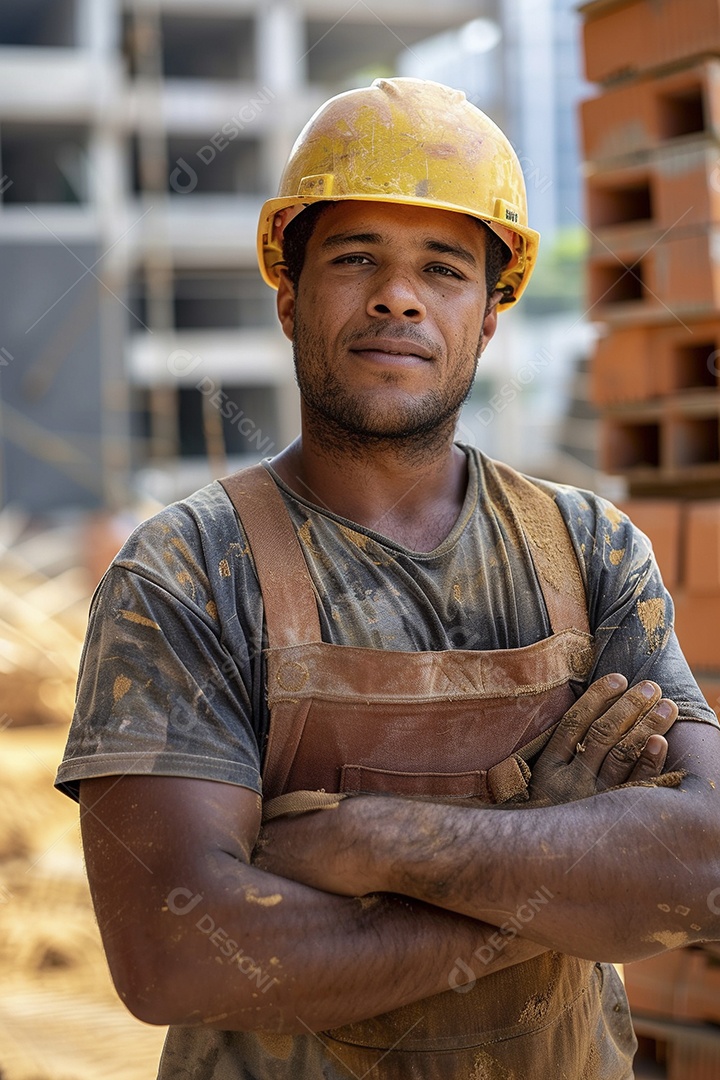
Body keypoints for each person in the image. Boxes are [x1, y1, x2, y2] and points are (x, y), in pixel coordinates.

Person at [56, 78, 720, 1079]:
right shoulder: (189, 573)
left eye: (443, 268)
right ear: (288, 294)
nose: (397, 295)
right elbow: (178, 956)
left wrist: (382, 840)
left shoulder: (591, 550)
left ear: (490, 315)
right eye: (356, 257)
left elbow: (706, 866)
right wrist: (558, 864)